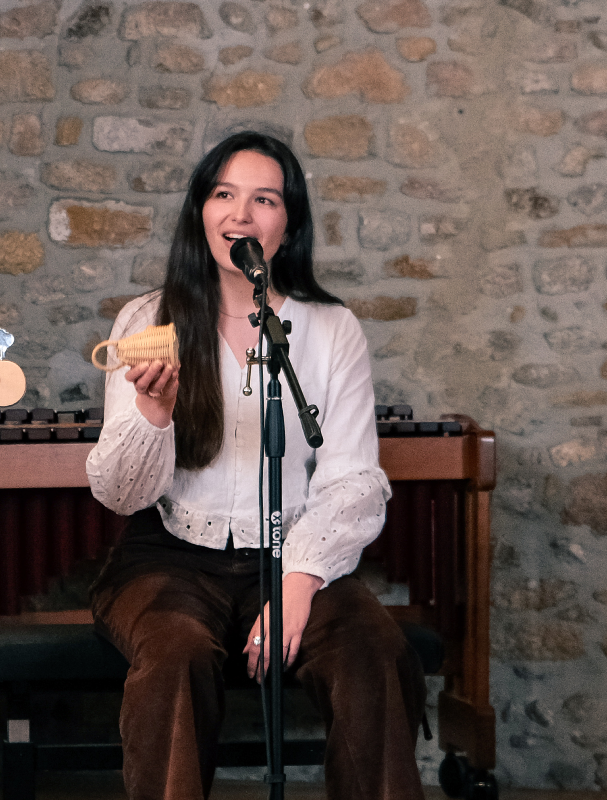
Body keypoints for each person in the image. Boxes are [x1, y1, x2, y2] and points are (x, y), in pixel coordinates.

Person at [85, 131, 423, 800]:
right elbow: (120, 493)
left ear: (287, 225)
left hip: (295, 550)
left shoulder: (329, 329)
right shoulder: (149, 319)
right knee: (175, 657)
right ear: (200, 212)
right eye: (224, 195)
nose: (240, 215)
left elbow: (353, 478)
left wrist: (298, 581)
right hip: (172, 558)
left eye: (263, 199)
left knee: (372, 652)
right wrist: (153, 414)